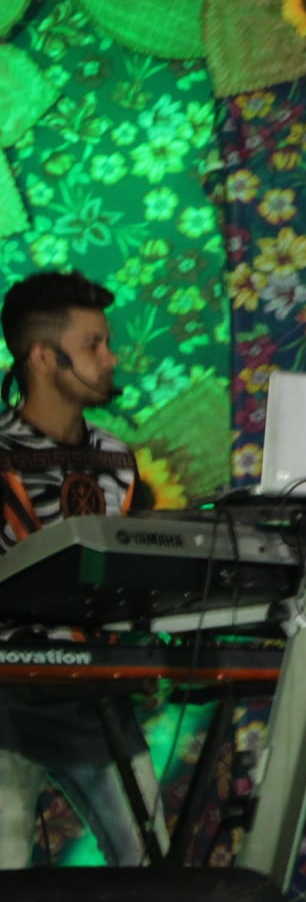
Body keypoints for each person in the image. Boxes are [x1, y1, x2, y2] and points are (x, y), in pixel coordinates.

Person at [0, 270, 161, 869]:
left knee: (151, 864)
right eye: (94, 345)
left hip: (97, 691)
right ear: (44, 358)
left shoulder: (117, 456)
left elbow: (139, 566)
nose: (111, 358)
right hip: (6, 695)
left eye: (107, 343)